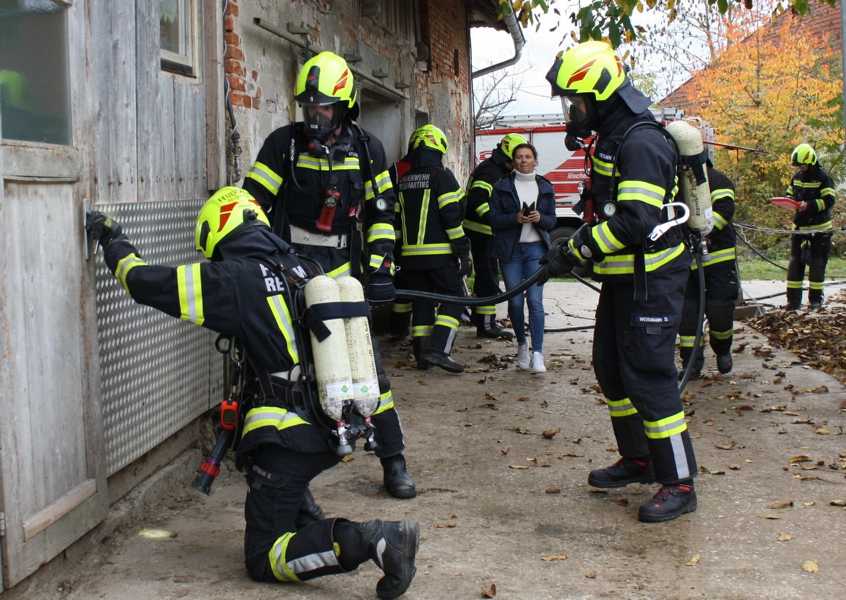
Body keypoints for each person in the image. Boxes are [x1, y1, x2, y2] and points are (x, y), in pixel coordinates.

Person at [87, 188, 419, 598]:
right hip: (332, 426)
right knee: (274, 479)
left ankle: (373, 540)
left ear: (217, 231)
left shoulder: (234, 278)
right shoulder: (307, 267)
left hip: (288, 438)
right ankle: (305, 516)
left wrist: (112, 239)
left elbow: (146, 282)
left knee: (265, 558)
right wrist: (392, 450)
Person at [242, 51, 415, 499]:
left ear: (344, 106)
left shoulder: (368, 149)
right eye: (308, 106)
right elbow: (252, 202)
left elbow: (382, 212)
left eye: (322, 106)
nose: (314, 114)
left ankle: (392, 460)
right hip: (288, 266)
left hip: (343, 271)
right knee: (283, 363)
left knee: (365, 362)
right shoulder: (284, 144)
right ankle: (275, 458)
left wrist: (380, 264)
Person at [543, 41, 698, 522]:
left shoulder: (641, 141)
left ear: (601, 95)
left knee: (649, 375)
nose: (573, 110)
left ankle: (679, 481)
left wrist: (580, 246)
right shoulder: (612, 136)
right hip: (624, 279)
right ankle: (639, 459)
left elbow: (634, 222)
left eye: (577, 100)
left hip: (651, 278)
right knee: (611, 367)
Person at [395, 124, 470, 372]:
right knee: (455, 298)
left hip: (409, 259)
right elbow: (452, 217)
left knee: (422, 304)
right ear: (439, 147)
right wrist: (462, 251)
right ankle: (439, 350)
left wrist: (398, 255)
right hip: (439, 255)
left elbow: (395, 223)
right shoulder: (442, 176)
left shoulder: (403, 181)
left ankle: (421, 356)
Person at [490, 142, 556, 373]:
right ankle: (522, 344)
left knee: (535, 302)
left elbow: (552, 221)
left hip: (536, 250)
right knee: (515, 302)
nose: (523, 160)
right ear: (513, 161)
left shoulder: (545, 187)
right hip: (511, 251)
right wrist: (514, 219)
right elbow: (494, 220)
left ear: (535, 161)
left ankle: (538, 353)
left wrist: (540, 218)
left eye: (528, 156)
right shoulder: (502, 187)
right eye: (519, 157)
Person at [464, 132, 528, 339]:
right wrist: (498, 220)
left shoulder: (497, 169)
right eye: (516, 158)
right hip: (482, 232)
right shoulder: (490, 172)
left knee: (489, 276)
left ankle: (484, 321)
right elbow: (478, 202)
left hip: (488, 232)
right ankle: (486, 325)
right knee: (487, 277)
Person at [678, 162, 738, 377]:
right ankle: (691, 365)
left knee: (719, 310)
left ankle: (722, 350)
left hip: (718, 259)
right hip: (686, 263)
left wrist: (705, 231)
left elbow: (725, 209)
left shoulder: (716, 179)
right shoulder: (675, 183)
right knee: (687, 316)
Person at [785, 143, 837, 310]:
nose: (801, 168)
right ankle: (793, 303)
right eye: (799, 166)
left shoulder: (823, 178)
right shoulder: (797, 177)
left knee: (817, 266)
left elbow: (829, 201)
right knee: (795, 267)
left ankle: (815, 301)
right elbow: (790, 192)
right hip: (799, 230)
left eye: (803, 165)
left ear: (811, 162)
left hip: (819, 230)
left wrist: (809, 205)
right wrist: (787, 201)